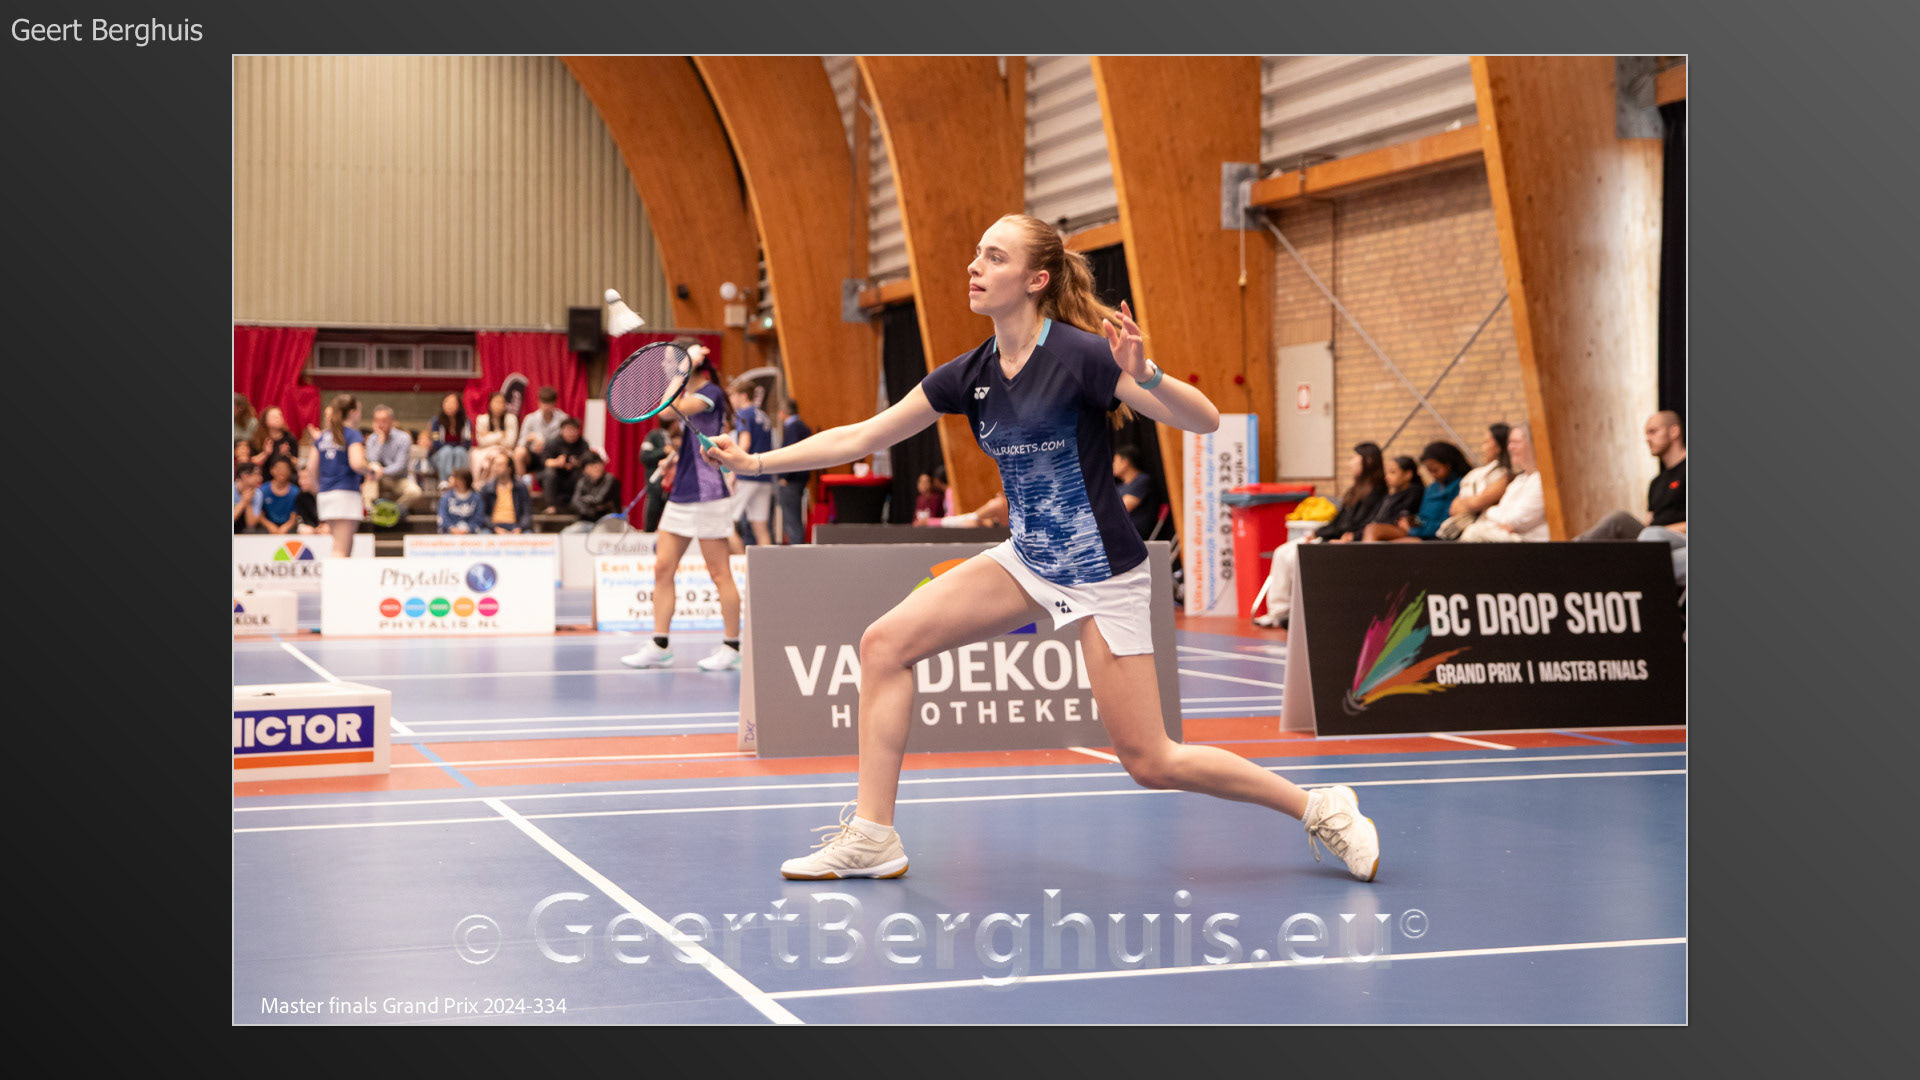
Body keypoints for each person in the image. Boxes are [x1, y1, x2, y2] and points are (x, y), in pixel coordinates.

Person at [699, 213, 1380, 883]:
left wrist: (1146, 374)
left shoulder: (1083, 356)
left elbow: (1202, 420)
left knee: (1151, 761)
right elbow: (863, 435)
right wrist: (755, 463)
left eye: (995, 257)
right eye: (977, 253)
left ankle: (1319, 806)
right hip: (1028, 560)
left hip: (1103, 573)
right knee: (883, 645)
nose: (975, 266)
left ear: (1036, 279)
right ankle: (873, 837)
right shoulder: (970, 373)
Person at [620, 346, 744, 673]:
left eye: (669, 363)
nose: (665, 369)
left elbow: (667, 410)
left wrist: (680, 369)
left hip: (708, 495)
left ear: (689, 365)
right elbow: (691, 431)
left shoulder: (710, 393)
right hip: (682, 494)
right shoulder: (691, 393)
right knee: (663, 568)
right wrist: (677, 457)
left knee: (719, 573)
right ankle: (659, 645)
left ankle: (732, 647)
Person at [1252, 442, 1387, 629]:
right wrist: (1316, 533)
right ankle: (1278, 612)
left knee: (1295, 558)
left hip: (1343, 541)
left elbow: (1365, 523)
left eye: (1354, 458)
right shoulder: (1355, 490)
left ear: (1368, 460)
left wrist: (1350, 536)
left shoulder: (1378, 491)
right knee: (1282, 552)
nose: (1350, 463)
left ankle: (1297, 612)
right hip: (1328, 536)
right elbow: (1338, 520)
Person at [1577, 411, 1687, 540]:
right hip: (1653, 538)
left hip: (1678, 538)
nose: (1647, 439)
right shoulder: (1656, 482)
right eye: (1646, 434)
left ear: (1674, 431)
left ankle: (1566, 550)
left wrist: (1658, 531)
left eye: (1653, 432)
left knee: (1619, 519)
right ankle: (1571, 548)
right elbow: (1648, 522)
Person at [301, 393, 367, 557]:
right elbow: (357, 463)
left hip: (326, 495)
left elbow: (311, 468)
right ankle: (331, 575)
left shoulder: (322, 437)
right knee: (340, 548)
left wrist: (319, 489)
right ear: (352, 413)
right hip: (345, 494)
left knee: (345, 546)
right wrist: (372, 471)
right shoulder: (352, 434)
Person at [1364, 441, 1469, 542]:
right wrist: (1411, 521)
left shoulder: (1461, 485)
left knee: (1383, 540)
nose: (1433, 475)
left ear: (1449, 465)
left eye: (1435, 470)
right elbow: (1422, 517)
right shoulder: (1432, 488)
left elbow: (1447, 522)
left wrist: (1414, 530)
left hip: (1437, 536)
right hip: (1420, 531)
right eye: (1429, 471)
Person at [1461, 423, 1548, 542]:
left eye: (1515, 442)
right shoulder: (1519, 480)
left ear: (1533, 443)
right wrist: (1494, 513)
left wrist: (1489, 511)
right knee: (1473, 530)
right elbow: (1504, 516)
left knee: (1474, 533)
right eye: (1509, 442)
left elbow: (1515, 522)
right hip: (1507, 538)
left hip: (1531, 543)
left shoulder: (1541, 480)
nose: (1510, 447)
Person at [1434, 423, 1513, 540]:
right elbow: (1454, 508)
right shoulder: (1478, 472)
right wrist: (1471, 502)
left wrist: (1470, 502)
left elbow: (1478, 502)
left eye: (1486, 442)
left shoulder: (1505, 474)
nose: (1482, 447)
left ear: (1499, 445)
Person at [728, 383, 776, 546]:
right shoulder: (763, 416)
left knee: (725, 524)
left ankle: (743, 559)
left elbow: (745, 442)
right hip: (764, 475)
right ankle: (768, 562)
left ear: (743, 396)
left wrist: (733, 470)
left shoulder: (743, 414)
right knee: (760, 527)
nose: (731, 400)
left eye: (733, 395)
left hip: (746, 476)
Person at [360, 405, 416, 510]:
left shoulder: (403, 438)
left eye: (384, 421)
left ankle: (391, 511)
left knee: (414, 492)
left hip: (398, 479)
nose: (380, 424)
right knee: (373, 468)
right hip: (378, 480)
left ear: (391, 421)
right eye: (377, 421)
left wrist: (382, 471)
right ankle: (369, 509)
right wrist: (380, 442)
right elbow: (371, 462)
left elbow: (400, 466)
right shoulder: (372, 439)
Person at [774, 400, 812, 544]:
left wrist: (784, 475)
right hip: (799, 478)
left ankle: (796, 550)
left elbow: (790, 453)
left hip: (791, 480)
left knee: (791, 518)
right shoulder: (801, 426)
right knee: (794, 517)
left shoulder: (793, 427)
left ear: (783, 412)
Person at [514, 386, 570, 482]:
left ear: (554, 403)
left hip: (553, 455)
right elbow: (520, 443)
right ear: (539, 403)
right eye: (543, 403)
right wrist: (528, 439)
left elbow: (567, 441)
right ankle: (520, 485)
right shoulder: (530, 418)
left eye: (549, 404)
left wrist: (545, 443)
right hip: (534, 456)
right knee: (519, 452)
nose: (546, 407)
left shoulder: (563, 419)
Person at [538, 417, 592, 512]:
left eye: (574, 430)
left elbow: (588, 462)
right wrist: (557, 462)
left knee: (584, 475)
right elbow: (544, 462)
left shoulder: (583, 444)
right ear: (562, 430)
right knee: (549, 473)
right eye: (568, 430)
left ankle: (578, 504)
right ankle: (551, 505)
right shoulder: (553, 442)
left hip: (573, 475)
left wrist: (575, 463)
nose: (571, 433)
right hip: (556, 475)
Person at [470, 392, 519, 486]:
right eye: (496, 402)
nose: (499, 405)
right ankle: (481, 485)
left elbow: (510, 442)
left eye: (501, 402)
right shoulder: (482, 419)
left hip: (505, 450)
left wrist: (488, 435)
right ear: (490, 404)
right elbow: (482, 441)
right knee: (477, 456)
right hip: (485, 451)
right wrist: (501, 434)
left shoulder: (511, 419)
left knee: (499, 458)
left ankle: (499, 485)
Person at [639, 418, 678, 533]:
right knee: (651, 521)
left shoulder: (678, 438)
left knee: (672, 526)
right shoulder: (654, 435)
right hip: (656, 487)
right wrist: (663, 451)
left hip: (674, 488)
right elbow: (644, 457)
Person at [1111, 445, 1158, 539]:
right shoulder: (1118, 487)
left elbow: (1120, 510)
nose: (1112, 465)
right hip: (1119, 531)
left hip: (1134, 533)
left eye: (1115, 461)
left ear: (1125, 462)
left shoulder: (1142, 481)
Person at [427, 393, 472, 483]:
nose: (449, 405)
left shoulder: (465, 422)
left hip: (458, 454)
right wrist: (453, 446)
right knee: (447, 451)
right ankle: (445, 481)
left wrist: (454, 448)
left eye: (453, 403)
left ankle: (459, 482)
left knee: (460, 451)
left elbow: (467, 444)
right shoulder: (436, 421)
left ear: (459, 406)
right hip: (439, 455)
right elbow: (436, 444)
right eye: (447, 402)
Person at [480, 456, 531, 534]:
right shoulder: (487, 488)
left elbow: (526, 512)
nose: (496, 468)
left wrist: (520, 528)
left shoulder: (520, 487)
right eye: (494, 464)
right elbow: (483, 514)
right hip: (493, 526)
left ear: (509, 468)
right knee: (483, 534)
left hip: (515, 525)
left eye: (500, 465)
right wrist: (494, 528)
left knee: (529, 534)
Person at [256, 455, 306, 535]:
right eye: (279, 468)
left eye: (285, 468)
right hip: (267, 527)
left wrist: (285, 528)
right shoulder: (262, 490)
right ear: (272, 470)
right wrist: (270, 526)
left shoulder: (296, 492)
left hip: (289, 528)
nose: (282, 471)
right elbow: (260, 515)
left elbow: (294, 517)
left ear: (290, 471)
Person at [569, 451, 622, 524]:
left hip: (607, 520)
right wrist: (590, 511)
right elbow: (575, 501)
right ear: (585, 469)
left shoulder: (609, 479)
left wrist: (583, 500)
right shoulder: (583, 481)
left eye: (598, 464)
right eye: (592, 465)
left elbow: (599, 499)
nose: (596, 468)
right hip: (586, 520)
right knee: (568, 530)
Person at [436, 467, 484, 534]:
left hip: (471, 533)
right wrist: (452, 528)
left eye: (460, 480)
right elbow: (442, 516)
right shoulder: (446, 497)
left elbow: (478, 517)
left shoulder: (476, 498)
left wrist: (468, 529)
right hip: (449, 533)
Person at [234, 462, 264, 533]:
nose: (260, 478)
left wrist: (248, 503)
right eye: (257, 474)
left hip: (244, 530)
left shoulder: (258, 494)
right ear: (245, 476)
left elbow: (251, 524)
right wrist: (243, 502)